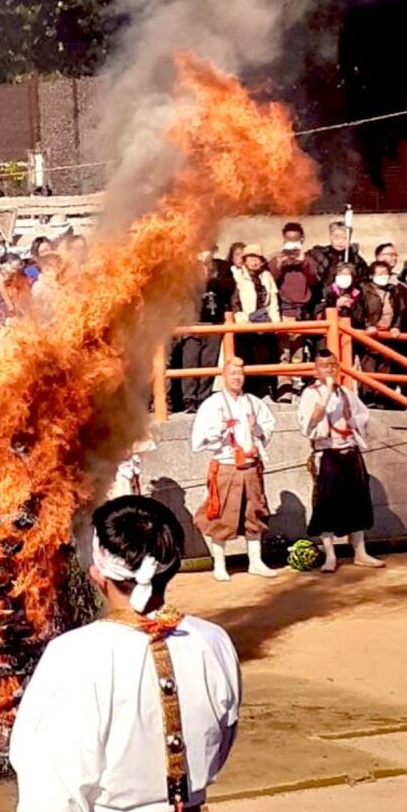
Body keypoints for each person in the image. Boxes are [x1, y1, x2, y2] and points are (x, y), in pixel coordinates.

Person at [10, 495, 240, 812]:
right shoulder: (213, 641)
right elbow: (223, 741)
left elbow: (52, 794)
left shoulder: (73, 654)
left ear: (98, 571)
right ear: (173, 565)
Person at [297, 349, 384, 572]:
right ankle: (330, 555)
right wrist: (325, 397)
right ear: (316, 370)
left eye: (332, 365)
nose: (329, 370)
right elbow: (309, 424)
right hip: (327, 453)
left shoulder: (345, 392)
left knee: (358, 500)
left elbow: (361, 417)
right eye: (324, 366)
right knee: (326, 504)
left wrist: (352, 420)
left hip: (350, 450)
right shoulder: (310, 394)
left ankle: (360, 552)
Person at [191, 357, 277, 582]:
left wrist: (254, 426)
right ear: (224, 376)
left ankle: (256, 561)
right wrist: (221, 428)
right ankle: (220, 564)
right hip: (226, 465)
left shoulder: (253, 402)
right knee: (221, 516)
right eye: (232, 373)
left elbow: (267, 428)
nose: (237, 378)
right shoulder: (212, 404)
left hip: (251, 465)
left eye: (240, 373)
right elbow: (199, 440)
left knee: (254, 513)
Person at [268, 223, 318, 401]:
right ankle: (284, 390)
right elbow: (269, 282)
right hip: (284, 310)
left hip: (302, 312)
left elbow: (314, 281)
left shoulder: (309, 259)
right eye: (288, 239)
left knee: (299, 352)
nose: (292, 243)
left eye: (295, 239)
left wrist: (303, 261)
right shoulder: (277, 258)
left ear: (302, 239)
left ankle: (297, 387)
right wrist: (280, 265)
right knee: (284, 353)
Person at [180, 249, 235, 413]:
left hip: (213, 321)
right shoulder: (186, 267)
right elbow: (187, 287)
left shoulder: (222, 267)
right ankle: (189, 399)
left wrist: (209, 276)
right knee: (190, 362)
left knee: (208, 362)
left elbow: (227, 286)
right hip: (192, 322)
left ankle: (204, 397)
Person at [231, 243, 280, 400]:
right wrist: (243, 319)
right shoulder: (237, 275)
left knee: (265, 358)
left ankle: (264, 392)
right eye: (251, 258)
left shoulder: (266, 276)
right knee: (246, 358)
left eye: (257, 258)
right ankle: (247, 392)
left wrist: (276, 323)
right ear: (245, 260)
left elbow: (273, 301)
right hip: (246, 324)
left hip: (265, 323)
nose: (254, 262)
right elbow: (235, 302)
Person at [360, 260, 402, 406]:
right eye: (380, 274)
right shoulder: (365, 290)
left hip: (388, 335)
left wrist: (396, 326)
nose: (383, 276)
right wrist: (367, 325)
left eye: (386, 273)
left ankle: (382, 401)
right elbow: (360, 311)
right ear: (372, 275)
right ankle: (368, 400)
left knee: (385, 368)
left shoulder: (394, 291)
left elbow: (399, 312)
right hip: (370, 334)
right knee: (369, 367)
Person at [307, 220, 369, 299]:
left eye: (345, 238)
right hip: (324, 297)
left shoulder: (355, 259)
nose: (340, 241)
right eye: (337, 237)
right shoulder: (319, 255)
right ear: (330, 236)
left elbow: (363, 280)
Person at [318, 262, 365, 327]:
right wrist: (335, 305)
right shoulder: (325, 292)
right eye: (340, 274)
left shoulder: (357, 294)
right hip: (330, 330)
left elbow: (360, 319)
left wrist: (351, 307)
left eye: (346, 274)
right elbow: (318, 316)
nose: (343, 277)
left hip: (350, 331)